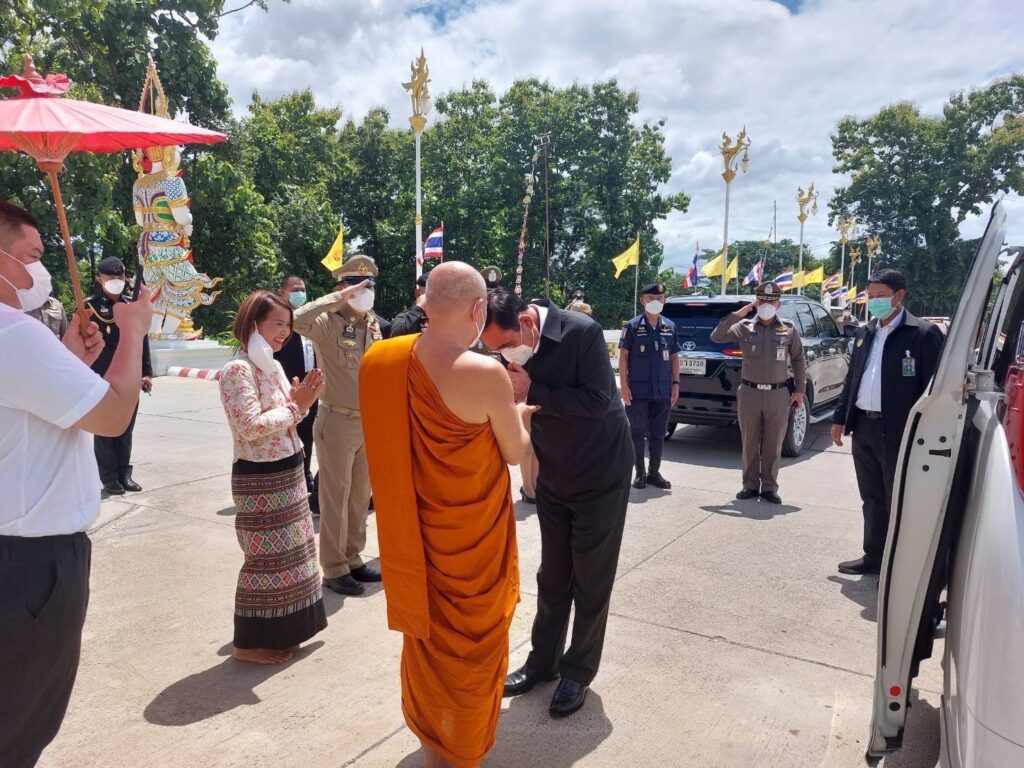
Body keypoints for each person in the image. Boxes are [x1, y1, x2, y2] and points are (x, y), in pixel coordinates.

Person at [361, 262, 533, 768]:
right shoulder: (486, 373)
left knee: (429, 641)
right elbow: (514, 453)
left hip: (418, 539)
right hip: (473, 546)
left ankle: (435, 743)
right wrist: (520, 416)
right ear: (479, 309)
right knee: (474, 652)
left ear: (426, 304)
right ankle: (464, 751)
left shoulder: (384, 359)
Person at [0, 200, 153, 768]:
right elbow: (112, 415)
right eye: (32, 255)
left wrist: (66, 358)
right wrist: (133, 332)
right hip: (31, 563)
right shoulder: (14, 333)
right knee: (19, 723)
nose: (40, 269)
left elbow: (31, 414)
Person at [482, 287, 633, 718]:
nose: (505, 356)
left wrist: (533, 389)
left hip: (600, 473)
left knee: (591, 578)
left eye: (507, 345)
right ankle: (543, 662)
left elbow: (598, 400)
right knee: (552, 575)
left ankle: (577, 672)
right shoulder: (512, 344)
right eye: (496, 351)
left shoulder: (582, 332)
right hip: (555, 472)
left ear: (527, 322)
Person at [218, 290, 328, 664]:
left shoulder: (272, 366)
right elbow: (249, 427)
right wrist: (298, 406)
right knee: (264, 561)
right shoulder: (238, 370)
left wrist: (298, 404)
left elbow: (286, 416)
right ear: (254, 324)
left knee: (293, 557)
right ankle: (248, 644)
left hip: (287, 468)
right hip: (260, 477)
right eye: (277, 324)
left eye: (288, 325)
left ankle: (284, 632)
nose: (285, 332)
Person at [830, 269, 943, 575]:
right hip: (864, 426)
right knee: (872, 497)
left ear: (899, 295)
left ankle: (900, 566)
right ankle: (874, 556)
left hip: (900, 431)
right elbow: (853, 379)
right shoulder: (865, 333)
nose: (874, 302)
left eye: (880, 296)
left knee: (900, 498)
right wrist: (840, 418)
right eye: (871, 296)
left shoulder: (922, 334)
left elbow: (934, 389)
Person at [292, 256, 385, 596]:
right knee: (336, 498)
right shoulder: (328, 322)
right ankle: (334, 568)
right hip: (337, 420)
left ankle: (353, 558)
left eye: (369, 285)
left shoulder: (371, 323)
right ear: (343, 287)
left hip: (367, 422)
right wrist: (335, 299)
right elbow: (296, 320)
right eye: (357, 285)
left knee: (359, 497)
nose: (364, 291)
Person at [710, 281, 805, 504]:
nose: (766, 305)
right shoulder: (744, 327)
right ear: (756, 302)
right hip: (749, 392)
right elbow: (717, 336)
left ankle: (770, 487)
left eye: (771, 301)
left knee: (774, 443)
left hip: (778, 393)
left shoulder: (789, 329)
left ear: (778, 304)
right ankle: (750, 485)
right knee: (749, 441)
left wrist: (800, 390)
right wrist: (740, 313)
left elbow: (798, 359)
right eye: (762, 301)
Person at [86, 256, 153, 495]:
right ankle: (109, 477)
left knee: (126, 427)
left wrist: (146, 372)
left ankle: (125, 473)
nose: (116, 280)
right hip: (101, 375)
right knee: (105, 428)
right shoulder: (89, 308)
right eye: (110, 277)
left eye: (120, 276)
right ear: (99, 279)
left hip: (129, 376)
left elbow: (142, 339)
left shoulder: (132, 305)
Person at [619, 282, 680, 489]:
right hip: (637, 390)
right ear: (642, 301)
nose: (656, 301)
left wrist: (676, 383)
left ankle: (654, 473)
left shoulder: (670, 326)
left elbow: (674, 358)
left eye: (659, 298)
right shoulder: (632, 326)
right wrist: (623, 385)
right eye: (651, 298)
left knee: (658, 432)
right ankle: (640, 473)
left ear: (664, 300)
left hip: (662, 390)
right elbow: (623, 356)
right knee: (637, 431)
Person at [274, 274, 319, 513]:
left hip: (310, 385)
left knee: (308, 433)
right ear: (283, 292)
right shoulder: (279, 320)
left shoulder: (310, 321)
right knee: (289, 433)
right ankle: (289, 478)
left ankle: (305, 473)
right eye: (294, 289)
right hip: (287, 387)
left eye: (302, 289)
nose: (299, 293)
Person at [389, 271, 429, 337]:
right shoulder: (404, 318)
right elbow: (395, 336)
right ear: (417, 293)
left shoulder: (444, 317)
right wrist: (418, 309)